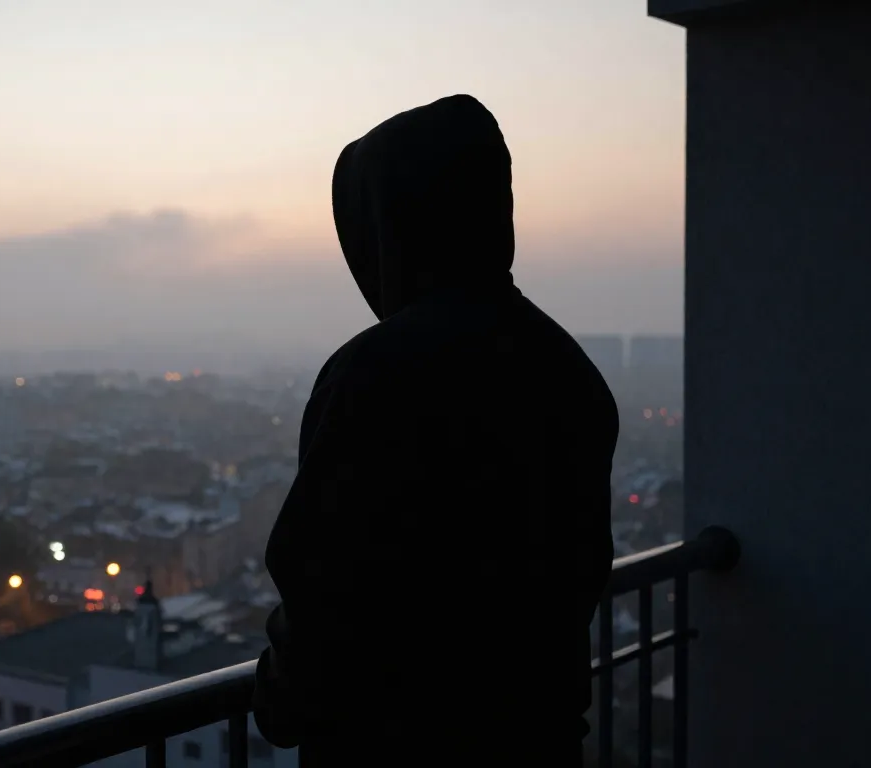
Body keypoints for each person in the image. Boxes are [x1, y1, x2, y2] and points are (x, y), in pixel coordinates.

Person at [251, 95, 618, 766]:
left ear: (390, 229)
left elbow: (327, 588)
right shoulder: (565, 366)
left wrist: (281, 698)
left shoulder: (377, 373)